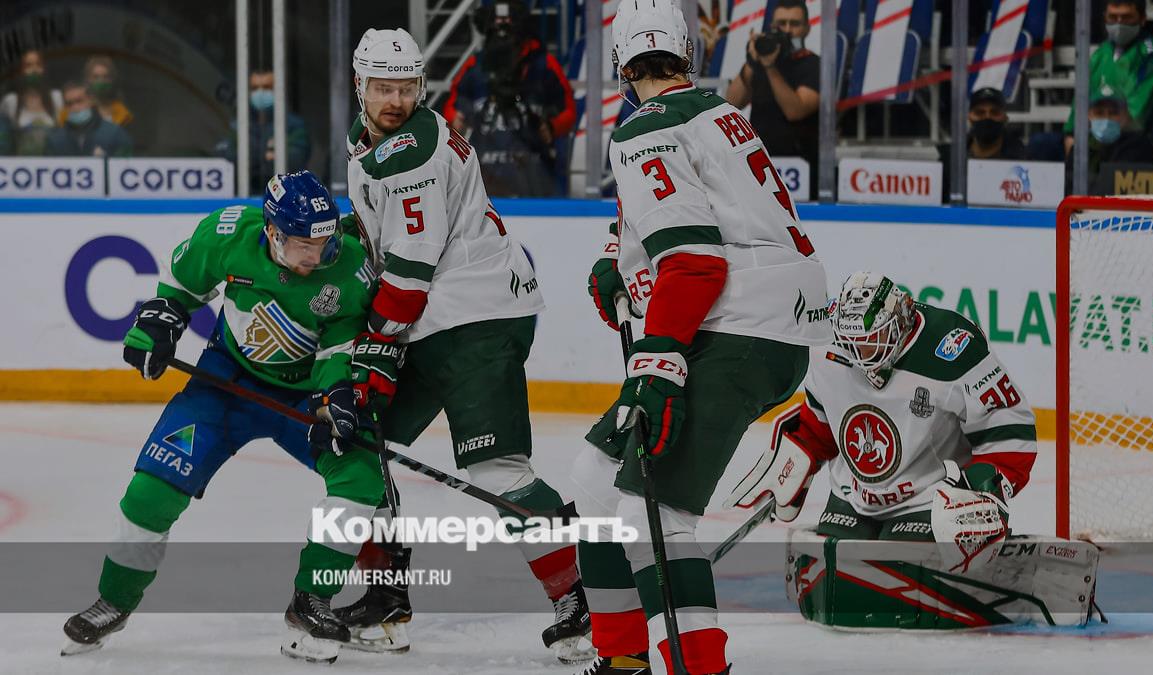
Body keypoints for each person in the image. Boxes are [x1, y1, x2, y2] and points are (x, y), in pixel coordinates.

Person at [577, 1, 830, 672]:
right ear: (685, 55)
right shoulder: (716, 111)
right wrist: (621, 256)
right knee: (595, 482)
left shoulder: (644, 127)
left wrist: (658, 366)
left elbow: (694, 260)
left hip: (734, 327)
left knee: (652, 513)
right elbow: (696, 213)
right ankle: (624, 657)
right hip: (767, 324)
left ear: (621, 64)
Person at [339, 27, 594, 663]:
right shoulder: (371, 144)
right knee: (362, 446)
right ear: (359, 85)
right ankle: (385, 601)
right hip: (437, 318)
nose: (395, 100)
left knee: (499, 473)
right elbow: (386, 240)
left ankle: (583, 602)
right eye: (382, 88)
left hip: (476, 318)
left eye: (406, 88)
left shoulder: (412, 152)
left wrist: (373, 345)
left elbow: (409, 270)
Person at [60, 171, 383, 665]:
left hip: (302, 399)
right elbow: (180, 284)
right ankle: (114, 600)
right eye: (303, 245)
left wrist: (335, 398)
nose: (317, 257)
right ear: (272, 232)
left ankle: (311, 602)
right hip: (225, 384)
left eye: (325, 243)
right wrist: (161, 319)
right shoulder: (228, 232)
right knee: (150, 491)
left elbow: (337, 350)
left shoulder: (351, 268)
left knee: (361, 479)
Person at [728, 272, 1037, 556]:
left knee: (903, 569)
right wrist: (798, 456)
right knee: (835, 572)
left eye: (869, 340)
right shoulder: (827, 346)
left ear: (899, 322)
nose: (859, 352)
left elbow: (1009, 428)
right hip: (853, 495)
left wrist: (982, 490)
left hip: (931, 498)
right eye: (851, 342)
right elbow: (822, 417)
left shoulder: (951, 349)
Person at [442, 0, 576, 196]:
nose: (503, 31)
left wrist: (552, 127)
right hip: (485, 173)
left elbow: (568, 110)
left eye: (509, 24)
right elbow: (452, 109)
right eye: (497, 24)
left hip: (534, 173)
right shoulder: (474, 66)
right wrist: (456, 120)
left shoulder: (544, 64)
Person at [724, 0, 820, 196]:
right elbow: (732, 102)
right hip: (761, 162)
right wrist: (752, 61)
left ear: (807, 29)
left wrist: (770, 67)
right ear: (771, 27)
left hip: (800, 167)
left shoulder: (813, 64)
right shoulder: (760, 63)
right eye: (781, 24)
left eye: (794, 24)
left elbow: (795, 111)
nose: (787, 30)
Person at [1065, 0, 1153, 152]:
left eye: (1127, 17)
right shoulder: (1099, 54)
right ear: (1104, 17)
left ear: (1142, 19)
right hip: (1094, 137)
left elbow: (1136, 114)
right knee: (1042, 144)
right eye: (1113, 17)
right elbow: (1078, 107)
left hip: (1133, 141)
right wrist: (1071, 136)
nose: (1119, 23)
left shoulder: (1152, 55)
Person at [216, 69, 312, 190]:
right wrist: (268, 154)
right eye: (255, 88)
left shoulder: (294, 125)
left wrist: (250, 156)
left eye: (267, 87)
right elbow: (228, 160)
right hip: (246, 194)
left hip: (287, 194)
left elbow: (294, 161)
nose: (260, 92)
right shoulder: (239, 125)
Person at [937, 87, 1026, 200]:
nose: (987, 117)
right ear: (970, 117)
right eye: (979, 112)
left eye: (994, 112)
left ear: (1005, 118)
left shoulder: (1022, 160)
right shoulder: (951, 159)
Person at [1066, 91, 1153, 194]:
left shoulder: (1140, 148)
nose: (1106, 118)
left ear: (1125, 116)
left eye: (1113, 113)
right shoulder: (1080, 150)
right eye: (1099, 113)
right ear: (1089, 115)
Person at [44, 81, 132, 157]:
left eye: (79, 101)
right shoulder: (56, 139)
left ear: (91, 100)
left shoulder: (115, 134)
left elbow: (125, 165)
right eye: (69, 104)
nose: (75, 107)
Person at [1, 49, 62, 155]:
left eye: (38, 65)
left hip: (52, 161)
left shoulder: (56, 97)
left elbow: (64, 130)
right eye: (28, 65)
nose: (34, 69)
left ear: (43, 69)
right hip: (22, 162)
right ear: (22, 71)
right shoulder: (11, 101)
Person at [58, 55, 133, 128]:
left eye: (105, 77)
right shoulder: (70, 111)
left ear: (112, 80)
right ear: (87, 79)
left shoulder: (122, 113)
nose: (101, 82)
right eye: (95, 77)